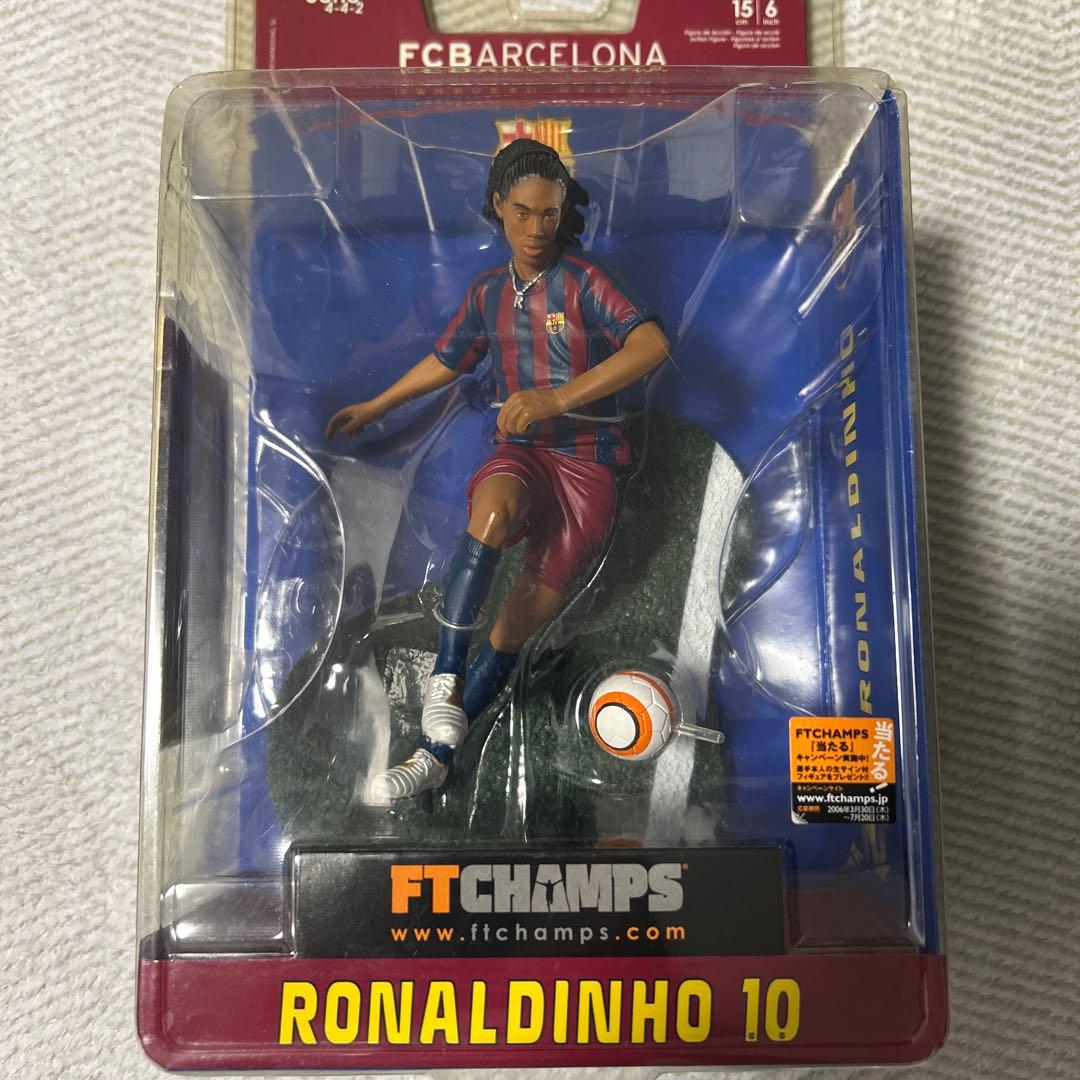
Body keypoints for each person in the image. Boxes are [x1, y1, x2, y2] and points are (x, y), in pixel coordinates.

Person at [327, 138, 670, 801]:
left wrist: (556, 399)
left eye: (549, 214)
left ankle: (436, 756)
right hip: (525, 452)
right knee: (492, 510)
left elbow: (651, 343)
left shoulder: (584, 281)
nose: (536, 228)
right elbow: (448, 359)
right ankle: (445, 679)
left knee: (515, 626)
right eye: (522, 213)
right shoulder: (488, 292)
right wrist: (377, 405)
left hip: (589, 465)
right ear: (498, 207)